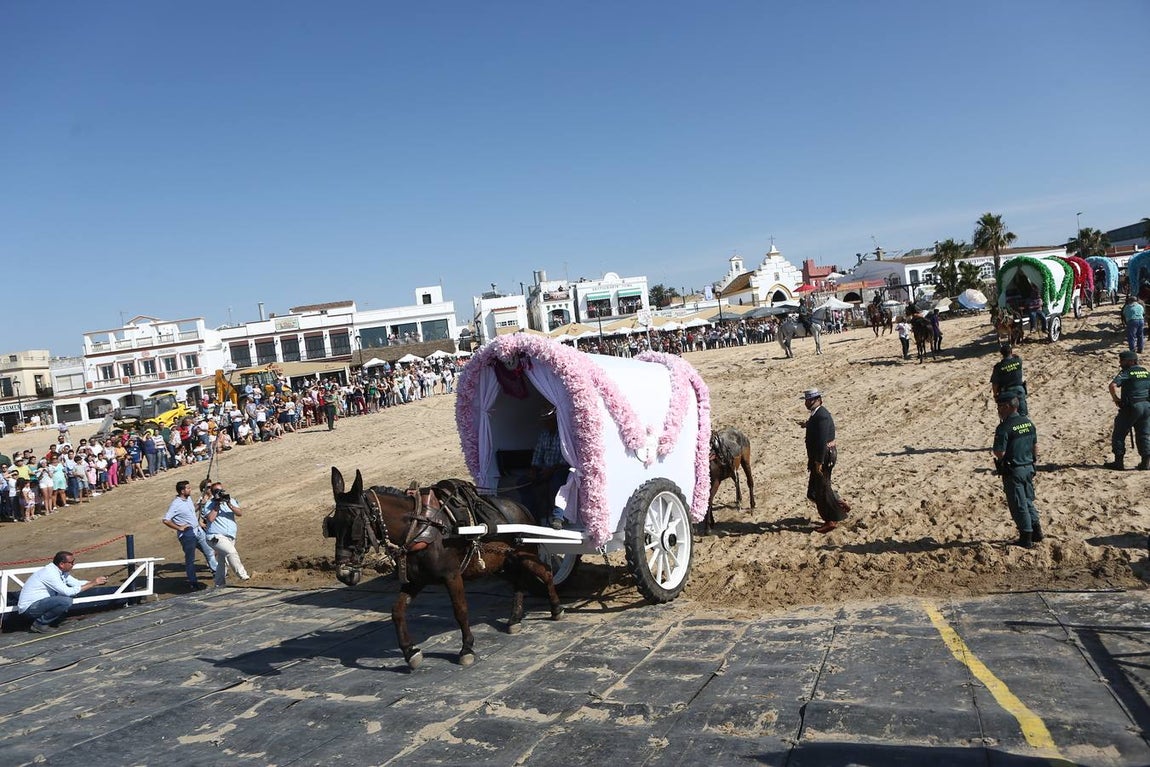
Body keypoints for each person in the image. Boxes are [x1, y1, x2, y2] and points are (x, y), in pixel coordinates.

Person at [17, 551, 113, 633]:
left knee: (67, 597)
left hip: (40, 604)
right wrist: (93, 583)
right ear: (62, 564)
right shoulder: (50, 573)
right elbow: (67, 592)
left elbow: (76, 583)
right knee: (66, 600)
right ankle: (39, 624)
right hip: (30, 608)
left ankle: (55, 620)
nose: (73, 564)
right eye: (71, 562)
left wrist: (94, 582)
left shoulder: (61, 572)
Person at [991, 391, 1041, 547]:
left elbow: (999, 452)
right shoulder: (1028, 422)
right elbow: (1035, 447)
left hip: (1014, 470)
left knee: (1018, 504)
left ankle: (1026, 537)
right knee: (1028, 501)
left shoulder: (1004, 427)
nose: (998, 410)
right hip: (1029, 467)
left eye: (1000, 406)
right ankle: (1037, 531)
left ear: (1007, 406)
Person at [799, 388, 846, 533]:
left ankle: (831, 519)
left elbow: (821, 441)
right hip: (820, 456)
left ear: (818, 399)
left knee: (821, 490)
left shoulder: (822, 416)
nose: (807, 403)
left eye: (810, 400)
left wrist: (818, 462)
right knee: (816, 490)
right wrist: (808, 425)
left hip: (824, 456)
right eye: (806, 400)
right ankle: (838, 504)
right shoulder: (817, 414)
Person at [161, 480, 218, 590]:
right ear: (182, 491)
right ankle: (193, 581)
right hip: (187, 535)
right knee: (190, 559)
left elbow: (192, 512)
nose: (190, 489)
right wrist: (179, 528)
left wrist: (200, 505)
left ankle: (216, 571)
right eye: (188, 488)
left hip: (198, 531)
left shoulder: (188, 499)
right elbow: (166, 520)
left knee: (209, 551)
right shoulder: (175, 504)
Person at [198, 479, 250, 587]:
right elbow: (210, 519)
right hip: (215, 536)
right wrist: (216, 504)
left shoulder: (230, 500)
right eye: (217, 491)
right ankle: (243, 576)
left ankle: (219, 584)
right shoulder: (208, 504)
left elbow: (240, 513)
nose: (221, 493)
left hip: (230, 536)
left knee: (223, 561)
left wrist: (229, 504)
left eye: (221, 491)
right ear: (213, 493)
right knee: (231, 552)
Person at [1104, 350, 1150, 471]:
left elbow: (1112, 386)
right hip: (1146, 406)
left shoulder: (1127, 372)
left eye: (1122, 360)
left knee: (1119, 433)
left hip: (1131, 407)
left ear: (1131, 361)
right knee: (1144, 434)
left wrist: (1116, 400)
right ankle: (1145, 462)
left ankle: (1118, 462)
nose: (1120, 363)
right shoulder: (1145, 372)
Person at [531, 405, 569, 529]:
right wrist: (534, 469)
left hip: (561, 469)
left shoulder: (563, 434)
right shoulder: (544, 434)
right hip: (546, 468)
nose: (546, 423)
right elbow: (538, 452)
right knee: (528, 484)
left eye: (548, 420)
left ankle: (558, 517)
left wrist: (551, 470)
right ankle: (536, 517)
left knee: (556, 483)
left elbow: (566, 457)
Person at [990, 343, 1028, 417]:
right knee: (1023, 415)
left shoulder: (998, 367)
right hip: (1019, 390)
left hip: (1006, 393)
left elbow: (995, 384)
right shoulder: (1018, 361)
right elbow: (1016, 356)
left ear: (1001, 354)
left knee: (1006, 416)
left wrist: (995, 396)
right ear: (1011, 352)